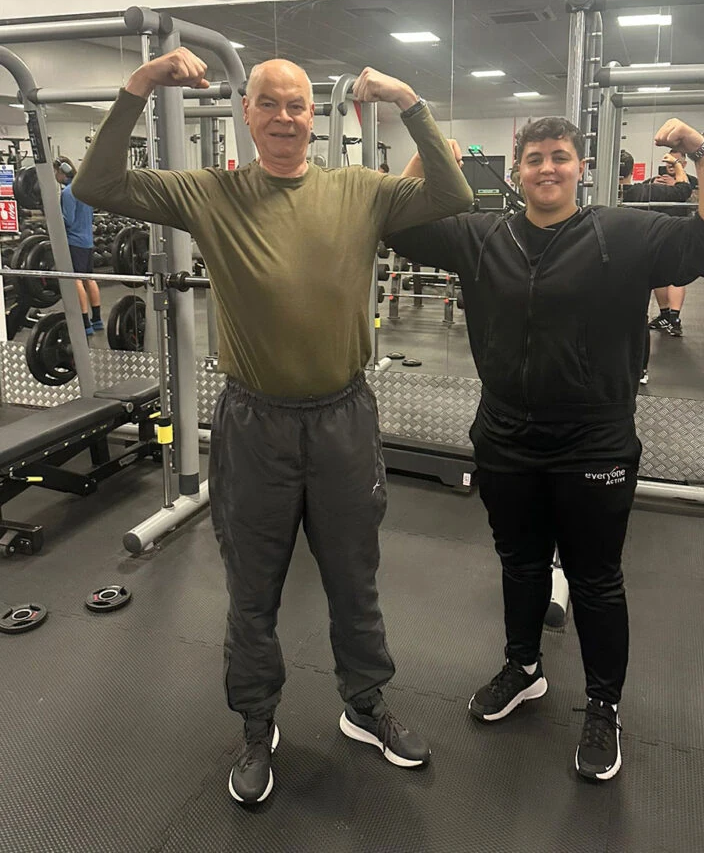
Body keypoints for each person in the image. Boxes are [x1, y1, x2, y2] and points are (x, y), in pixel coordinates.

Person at [72, 48, 472, 805]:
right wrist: (141, 83)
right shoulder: (211, 194)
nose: (286, 117)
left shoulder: (360, 191)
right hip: (255, 425)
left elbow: (452, 195)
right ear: (247, 114)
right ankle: (257, 724)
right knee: (252, 588)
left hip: (344, 420)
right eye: (271, 104)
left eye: (299, 106)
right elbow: (97, 185)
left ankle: (365, 705)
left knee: (354, 578)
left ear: (313, 121)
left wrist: (407, 99)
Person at [389, 115, 704, 782]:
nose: (545, 168)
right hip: (503, 432)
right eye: (532, 159)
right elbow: (393, 221)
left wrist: (699, 150)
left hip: (593, 437)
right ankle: (523, 667)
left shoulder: (624, 233)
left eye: (558, 157)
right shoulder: (482, 234)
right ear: (518, 170)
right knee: (520, 564)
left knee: (595, 579)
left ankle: (603, 704)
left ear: (579, 167)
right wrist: (424, 147)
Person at [644, 149, 695, 337]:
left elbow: (698, 201)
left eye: (674, 163)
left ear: (683, 164)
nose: (669, 166)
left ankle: (675, 318)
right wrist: (655, 187)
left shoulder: (691, 182)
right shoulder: (656, 180)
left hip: (680, 231)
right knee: (657, 272)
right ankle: (664, 314)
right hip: (657, 231)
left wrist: (677, 186)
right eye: (667, 163)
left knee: (676, 274)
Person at [53, 156, 102, 335]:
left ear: (61, 172)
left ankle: (85, 323)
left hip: (74, 242)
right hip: (87, 241)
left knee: (76, 281)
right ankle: (97, 320)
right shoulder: (82, 189)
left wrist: (52, 216)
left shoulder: (68, 192)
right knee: (89, 279)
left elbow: (68, 220)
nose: (55, 177)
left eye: (55, 173)